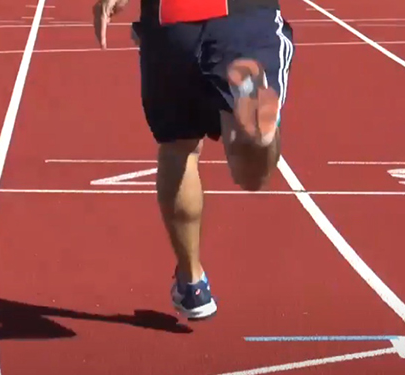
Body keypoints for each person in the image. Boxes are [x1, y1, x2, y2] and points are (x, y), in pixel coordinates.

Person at [93, 0, 294, 320]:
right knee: (251, 175)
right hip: (243, 18)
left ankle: (191, 281)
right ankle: (255, 130)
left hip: (171, 19)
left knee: (178, 146)